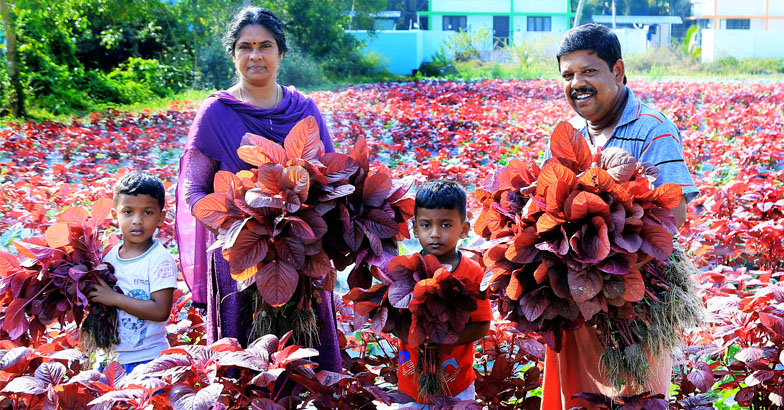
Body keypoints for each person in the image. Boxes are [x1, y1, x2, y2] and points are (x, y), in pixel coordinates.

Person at [540, 23, 700, 410]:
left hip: (637, 292)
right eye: (568, 75)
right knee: (578, 395)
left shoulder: (653, 128)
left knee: (634, 395)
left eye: (589, 71)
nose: (577, 83)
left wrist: (615, 257)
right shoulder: (571, 131)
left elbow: (673, 212)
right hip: (577, 288)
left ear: (618, 70)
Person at [174, 6, 340, 372]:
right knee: (244, 365)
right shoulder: (216, 113)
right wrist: (243, 228)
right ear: (233, 54)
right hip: (241, 254)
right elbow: (194, 190)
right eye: (245, 46)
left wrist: (302, 223)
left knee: (308, 360)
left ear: (281, 53)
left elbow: (331, 177)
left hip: (301, 246)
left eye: (265, 46)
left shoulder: (304, 109)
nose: (255, 56)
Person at [396, 180, 492, 408]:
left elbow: (482, 324)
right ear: (414, 228)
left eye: (446, 225)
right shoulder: (406, 268)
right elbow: (394, 321)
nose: (435, 234)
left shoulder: (473, 273)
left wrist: (442, 340)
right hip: (411, 385)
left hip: (456, 384)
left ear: (464, 229)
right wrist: (414, 338)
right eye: (426, 225)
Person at [88, 171, 177, 374]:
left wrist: (114, 299)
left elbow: (160, 311)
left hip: (147, 360)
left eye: (147, 212)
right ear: (115, 215)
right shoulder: (109, 256)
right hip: (109, 359)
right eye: (128, 212)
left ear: (161, 217)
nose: (137, 221)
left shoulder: (159, 259)